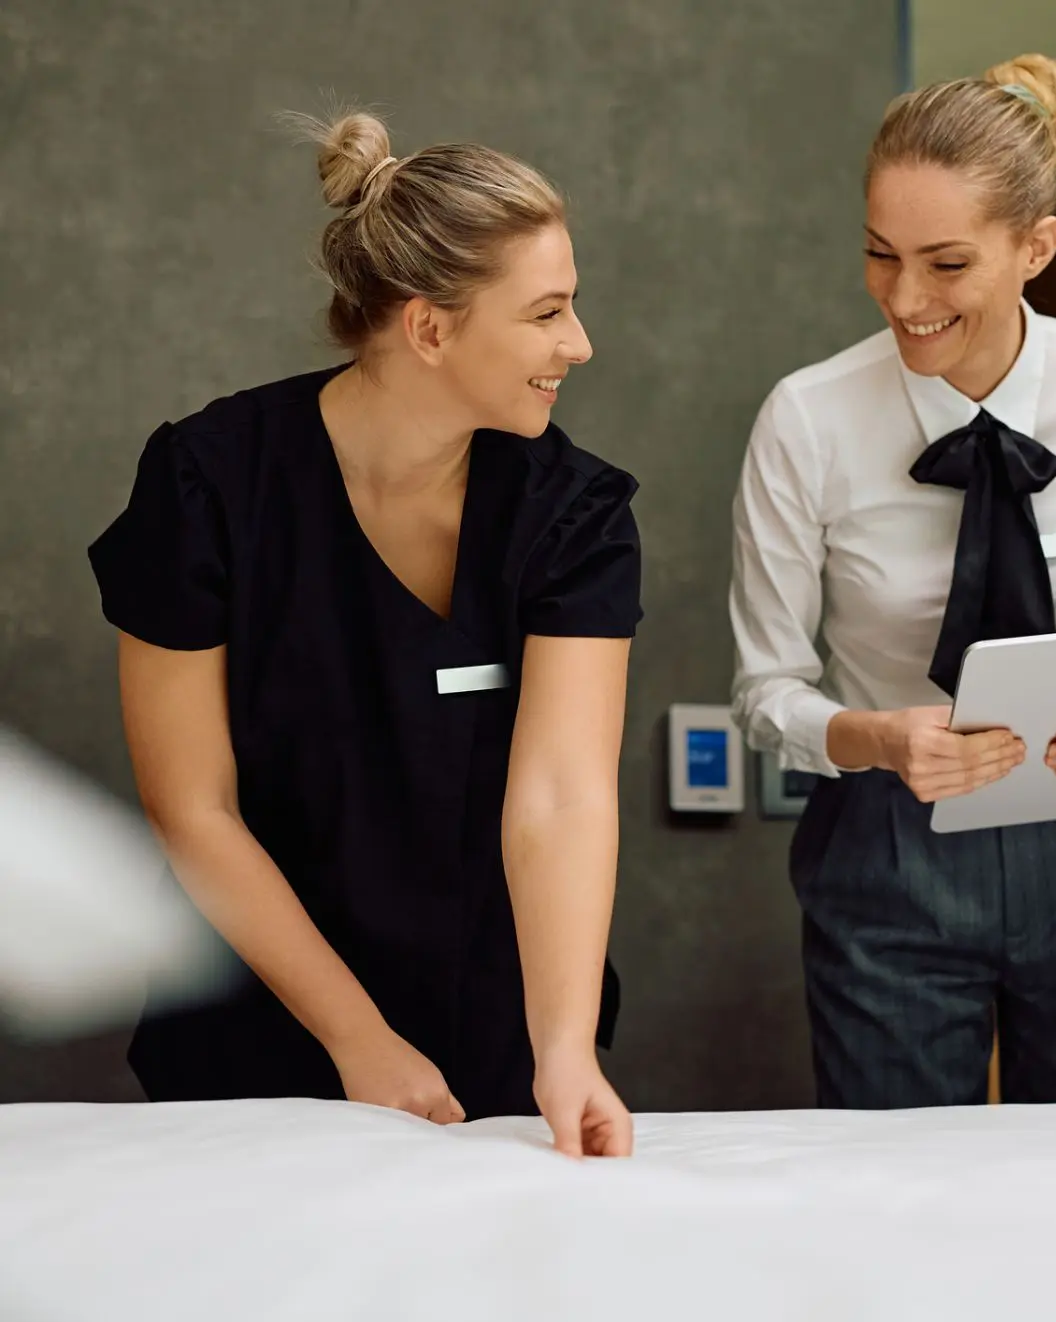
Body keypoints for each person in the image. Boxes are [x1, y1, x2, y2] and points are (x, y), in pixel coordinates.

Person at [88, 111, 641, 1156]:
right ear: (430, 328)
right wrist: (359, 1039)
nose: (579, 343)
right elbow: (193, 808)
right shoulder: (209, 484)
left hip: (491, 1035)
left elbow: (562, 794)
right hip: (250, 1033)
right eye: (548, 313)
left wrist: (563, 1045)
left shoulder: (572, 513)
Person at [729, 55, 1056, 1109]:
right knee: (902, 1202)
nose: (905, 298)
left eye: (946, 263)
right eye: (879, 254)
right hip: (885, 852)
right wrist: (875, 739)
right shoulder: (807, 419)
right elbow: (766, 689)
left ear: (1035, 246)